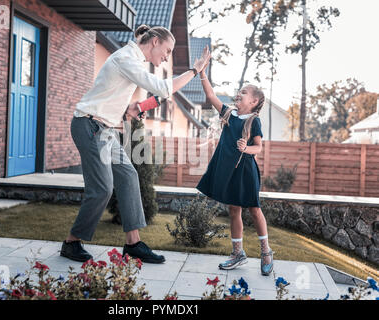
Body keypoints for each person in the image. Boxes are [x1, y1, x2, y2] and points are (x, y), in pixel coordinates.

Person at [60, 25, 211, 264]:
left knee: (129, 176)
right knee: (101, 188)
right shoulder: (125, 58)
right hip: (88, 126)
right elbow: (163, 87)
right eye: (167, 50)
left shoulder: (133, 61)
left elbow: (113, 95)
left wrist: (131, 109)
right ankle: (71, 242)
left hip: (104, 129)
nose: (167, 56)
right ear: (154, 42)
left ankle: (133, 244)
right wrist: (195, 69)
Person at [196, 67, 274, 275]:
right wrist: (202, 71)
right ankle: (238, 254)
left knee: (255, 210)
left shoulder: (253, 121)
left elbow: (258, 147)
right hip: (228, 170)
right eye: (240, 91)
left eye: (245, 92)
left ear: (254, 101)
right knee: (233, 210)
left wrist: (245, 148)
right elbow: (211, 95)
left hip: (246, 172)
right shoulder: (229, 114)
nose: (239, 94)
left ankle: (266, 251)